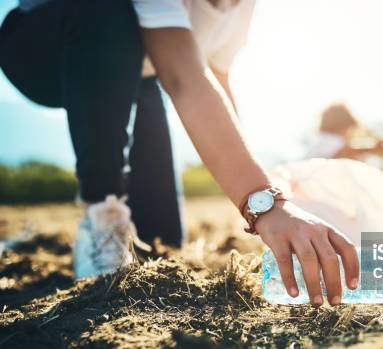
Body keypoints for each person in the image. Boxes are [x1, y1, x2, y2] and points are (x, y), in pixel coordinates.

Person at [0, 0, 359, 307]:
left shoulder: (241, 8)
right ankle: (101, 213)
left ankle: (123, 227)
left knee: (161, 243)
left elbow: (215, 79)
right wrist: (264, 203)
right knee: (108, 8)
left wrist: (264, 181)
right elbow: (184, 79)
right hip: (46, 41)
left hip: (136, 74)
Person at [304, 103, 383, 160]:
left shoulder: (319, 140)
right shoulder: (331, 140)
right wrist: (371, 149)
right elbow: (345, 151)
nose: (348, 136)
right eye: (348, 130)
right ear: (341, 125)